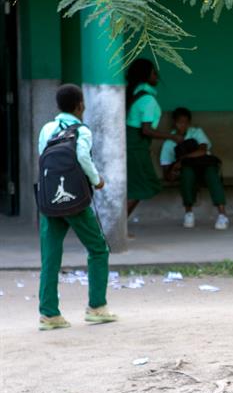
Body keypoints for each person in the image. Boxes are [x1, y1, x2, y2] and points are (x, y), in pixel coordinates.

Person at [36, 84, 118, 331]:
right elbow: (83, 158)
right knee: (98, 249)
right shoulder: (82, 131)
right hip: (76, 202)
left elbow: (43, 157)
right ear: (80, 105)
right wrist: (97, 180)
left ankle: (49, 314)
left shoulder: (47, 129)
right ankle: (97, 307)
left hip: (49, 199)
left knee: (50, 257)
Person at [159, 107, 229, 230]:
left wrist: (182, 160)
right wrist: (172, 173)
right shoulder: (169, 142)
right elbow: (166, 171)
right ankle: (189, 213)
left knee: (212, 175)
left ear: (189, 123)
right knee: (186, 173)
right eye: (179, 122)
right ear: (174, 123)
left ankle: (222, 215)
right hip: (189, 169)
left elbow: (202, 150)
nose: (183, 125)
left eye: (185, 122)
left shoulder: (196, 132)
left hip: (205, 165)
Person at [125, 58, 177, 218]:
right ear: (146, 75)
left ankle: (117, 226)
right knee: (143, 186)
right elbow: (146, 130)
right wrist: (173, 137)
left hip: (132, 145)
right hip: (135, 147)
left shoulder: (134, 94)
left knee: (139, 186)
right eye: (154, 73)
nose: (157, 76)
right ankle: (115, 227)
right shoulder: (147, 99)